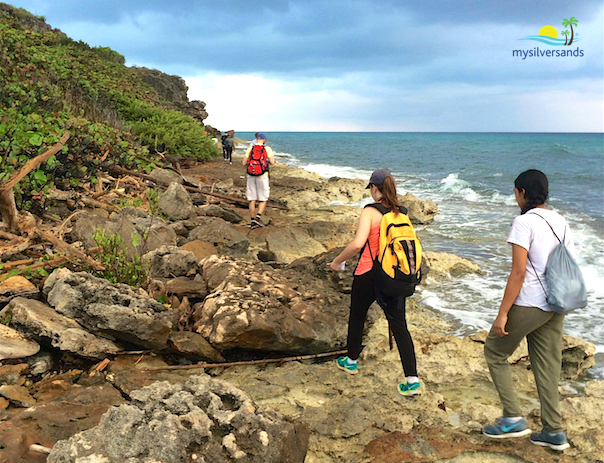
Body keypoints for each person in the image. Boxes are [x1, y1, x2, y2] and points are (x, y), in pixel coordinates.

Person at [483, 169, 573, 451]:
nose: (515, 197)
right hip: (556, 303)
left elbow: (519, 272)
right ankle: (554, 431)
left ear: (522, 192)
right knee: (547, 367)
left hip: (530, 302)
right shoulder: (561, 222)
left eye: (515, 192)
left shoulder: (524, 222)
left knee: (495, 351)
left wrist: (502, 314)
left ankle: (512, 418)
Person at [329, 169, 421, 396]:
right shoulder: (402, 213)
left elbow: (358, 244)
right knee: (400, 325)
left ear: (375, 188)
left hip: (369, 273)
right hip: (394, 275)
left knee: (357, 315)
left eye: (371, 187)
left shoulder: (370, 211)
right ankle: (412, 380)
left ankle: (351, 360)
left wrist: (337, 261)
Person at [242, 133, 275, 229]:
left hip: (251, 175)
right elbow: (272, 162)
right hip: (262, 175)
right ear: (264, 139)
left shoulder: (250, 149)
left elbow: (243, 163)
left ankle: (252, 219)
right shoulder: (267, 149)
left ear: (257, 139)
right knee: (263, 198)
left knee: (252, 198)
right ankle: (258, 217)